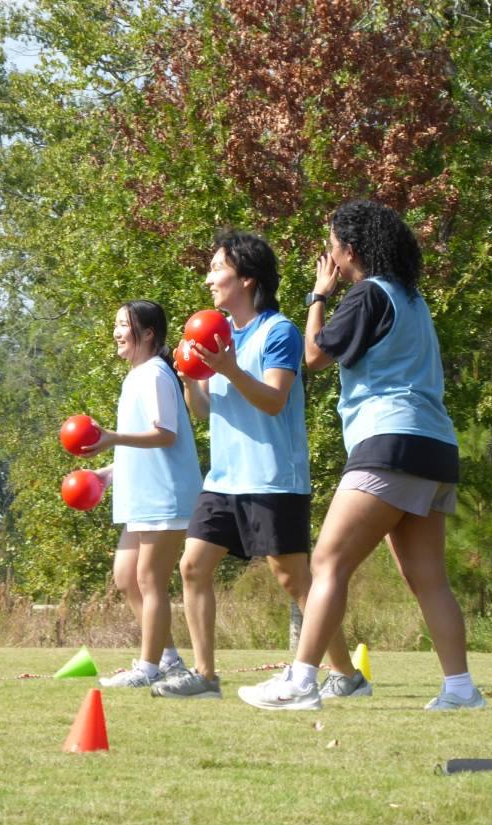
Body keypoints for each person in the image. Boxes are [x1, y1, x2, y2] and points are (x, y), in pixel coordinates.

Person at [238, 200, 484, 711]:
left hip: (389, 441)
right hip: (435, 447)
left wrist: (318, 296)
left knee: (327, 562)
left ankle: (301, 683)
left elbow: (313, 356)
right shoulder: (412, 299)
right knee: (429, 580)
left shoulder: (368, 293)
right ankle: (460, 690)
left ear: (350, 251)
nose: (329, 257)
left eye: (332, 247)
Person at [150, 230, 365, 700]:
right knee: (193, 566)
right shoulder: (218, 335)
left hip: (273, 479)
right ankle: (206, 677)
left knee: (295, 581)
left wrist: (228, 369)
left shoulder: (279, 331)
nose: (209, 279)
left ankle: (347, 676)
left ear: (246, 279)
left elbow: (274, 399)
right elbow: (205, 411)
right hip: (224, 480)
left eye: (217, 269)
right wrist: (190, 381)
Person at [81, 300, 202, 688]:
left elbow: (165, 434)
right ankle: (168, 660)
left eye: (124, 325)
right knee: (126, 578)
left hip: (164, 497)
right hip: (141, 498)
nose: (116, 332)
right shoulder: (136, 376)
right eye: (116, 324)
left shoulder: (155, 374)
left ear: (148, 333)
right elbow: (140, 447)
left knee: (149, 579)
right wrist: (105, 474)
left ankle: (148, 669)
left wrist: (112, 438)